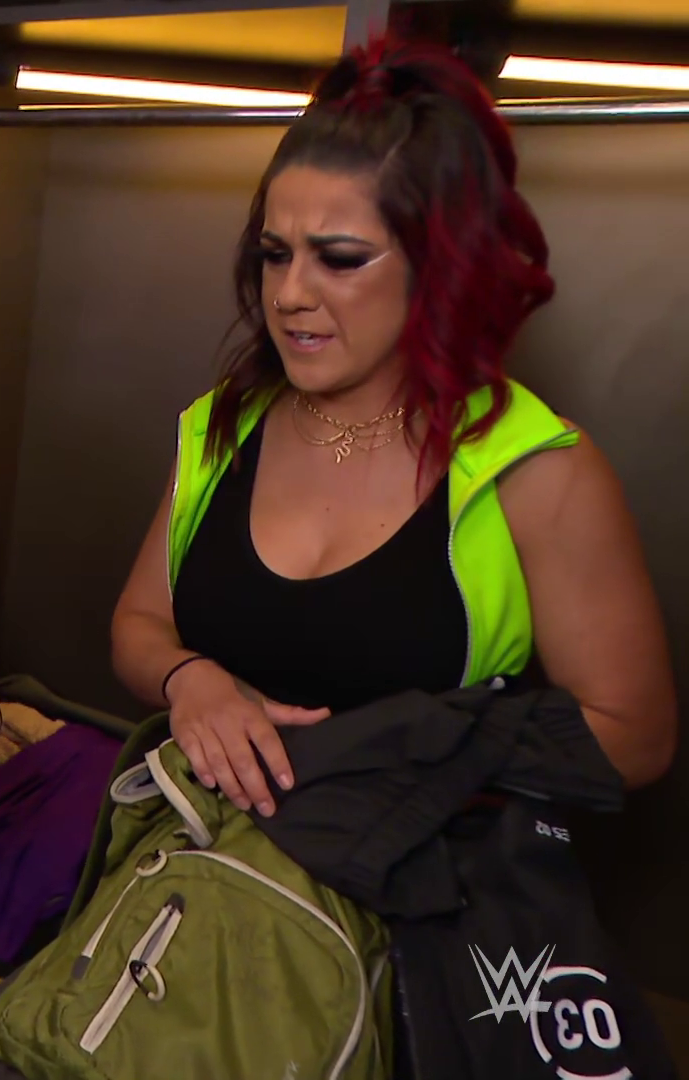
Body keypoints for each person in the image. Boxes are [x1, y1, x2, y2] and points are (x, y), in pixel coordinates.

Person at [109, 37, 676, 821]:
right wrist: (188, 680)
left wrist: (408, 748)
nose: (290, 294)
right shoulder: (225, 424)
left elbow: (637, 739)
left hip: (402, 881)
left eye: (340, 259)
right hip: (200, 868)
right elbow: (139, 624)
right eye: (275, 255)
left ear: (437, 266)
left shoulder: (539, 471)